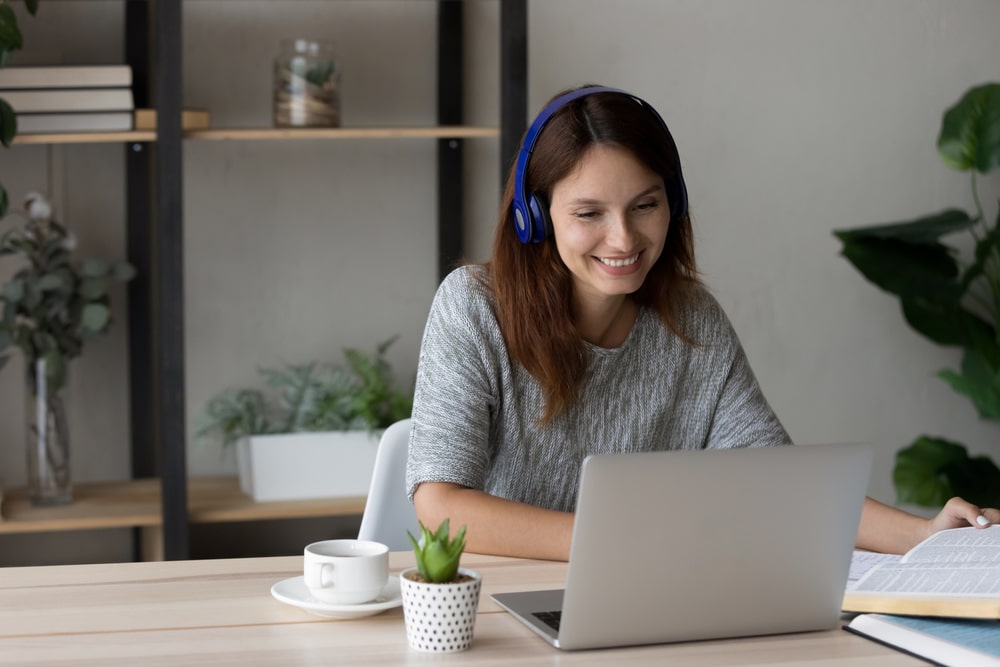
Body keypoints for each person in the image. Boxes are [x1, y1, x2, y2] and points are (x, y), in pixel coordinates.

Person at [405, 84, 998, 561]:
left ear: (674, 202)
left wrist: (926, 538)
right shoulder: (474, 308)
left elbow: (774, 479)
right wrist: (619, 545)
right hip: (503, 603)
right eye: (589, 213)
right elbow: (440, 503)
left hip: (648, 594)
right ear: (537, 218)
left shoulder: (691, 320)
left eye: (646, 204)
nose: (624, 239)